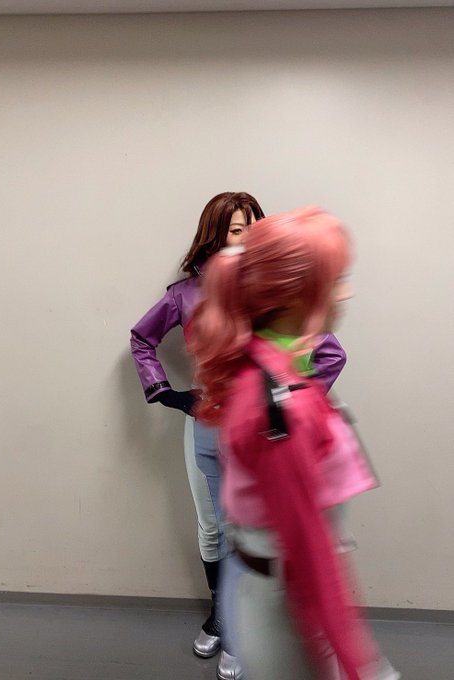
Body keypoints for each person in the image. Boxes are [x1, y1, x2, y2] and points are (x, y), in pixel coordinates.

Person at [130, 195, 348, 680]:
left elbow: (330, 352)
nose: (245, 237)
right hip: (206, 424)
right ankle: (221, 617)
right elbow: (142, 339)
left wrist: (286, 404)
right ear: (214, 235)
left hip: (259, 435)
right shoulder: (183, 296)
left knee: (251, 531)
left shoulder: (271, 291)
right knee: (212, 528)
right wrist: (169, 394)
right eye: (235, 229)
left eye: (252, 227)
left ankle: (243, 632)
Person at [188, 207, 399, 680]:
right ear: (295, 297)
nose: (346, 292)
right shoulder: (280, 406)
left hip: (273, 588)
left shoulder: (273, 367)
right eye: (338, 279)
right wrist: (363, 667)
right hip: (287, 607)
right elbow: (309, 552)